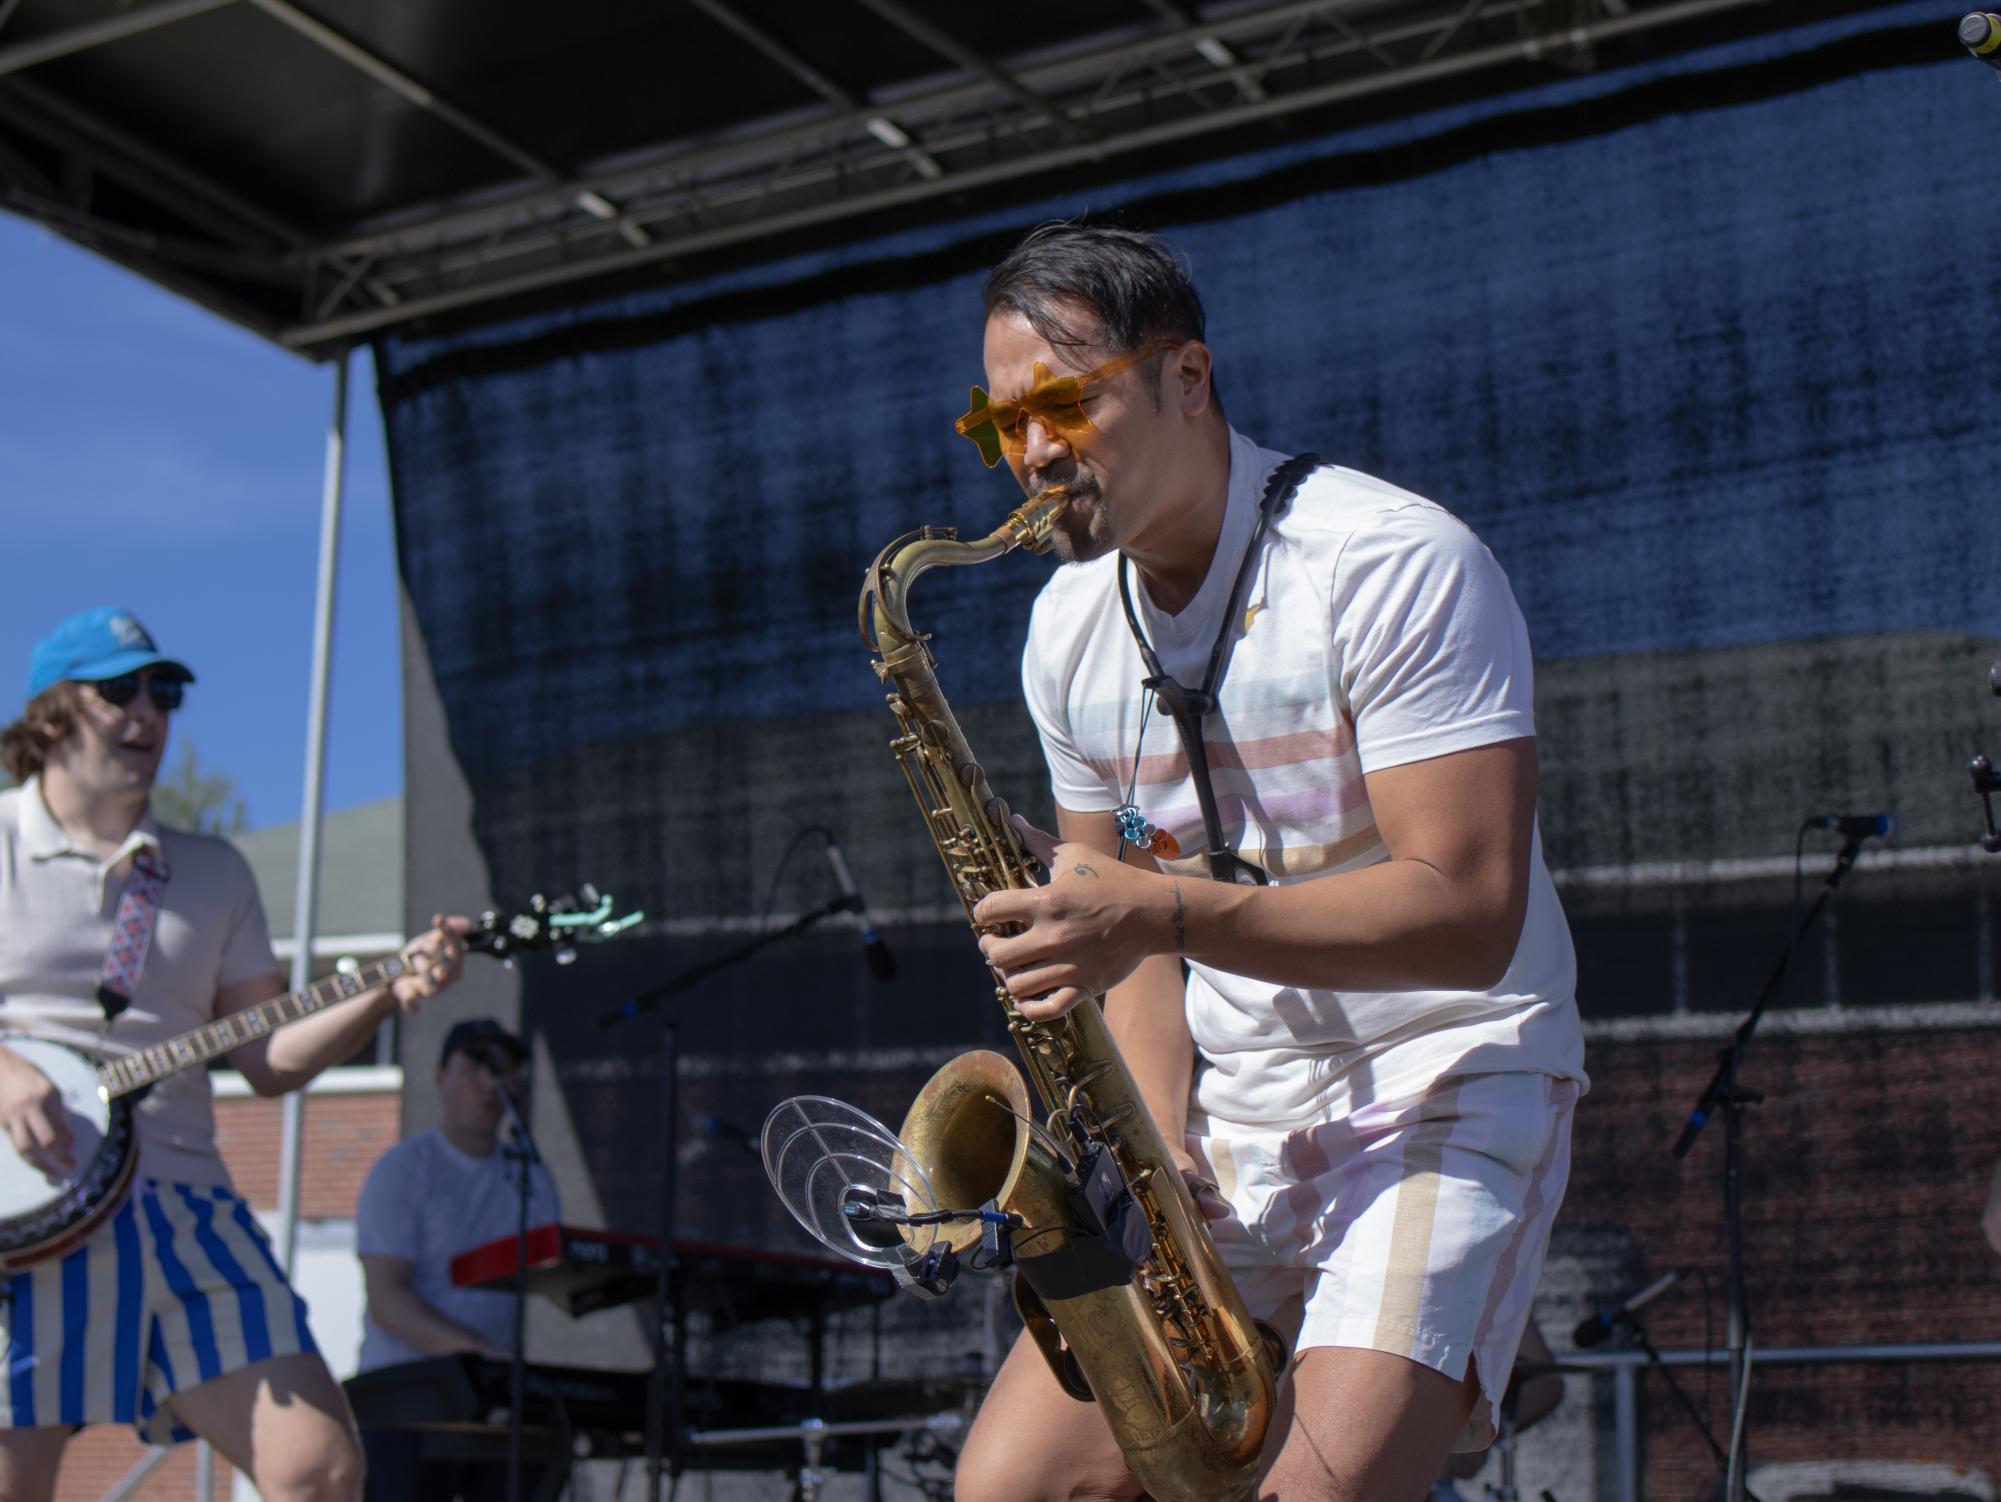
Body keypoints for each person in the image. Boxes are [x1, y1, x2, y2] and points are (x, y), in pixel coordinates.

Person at [949, 225, 1588, 1502]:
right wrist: (1158, 1147)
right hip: (1231, 1118)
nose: (1031, 453)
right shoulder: (1066, 627)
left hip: (1441, 1081)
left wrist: (1157, 908)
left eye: (1067, 401)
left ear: (1189, 378)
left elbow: (1464, 912)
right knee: (1009, 1487)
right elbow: (1119, 939)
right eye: (997, 424)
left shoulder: (1392, 562)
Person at [0, 606, 473, 1502]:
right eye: (120, 690)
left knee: (321, 1471)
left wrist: (381, 989)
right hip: (20, 1213)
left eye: (165, 691)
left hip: (182, 1200)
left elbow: (268, 1060)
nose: (150, 711)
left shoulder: (212, 872)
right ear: (53, 715)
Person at [353, 1017, 559, 1501]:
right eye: (476, 1066)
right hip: (405, 1405)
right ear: (440, 1076)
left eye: (504, 1070)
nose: (491, 1083)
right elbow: (387, 1298)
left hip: (495, 1407)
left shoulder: (530, 1175)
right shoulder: (402, 1170)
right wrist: (477, 1353)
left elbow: (555, 1272)